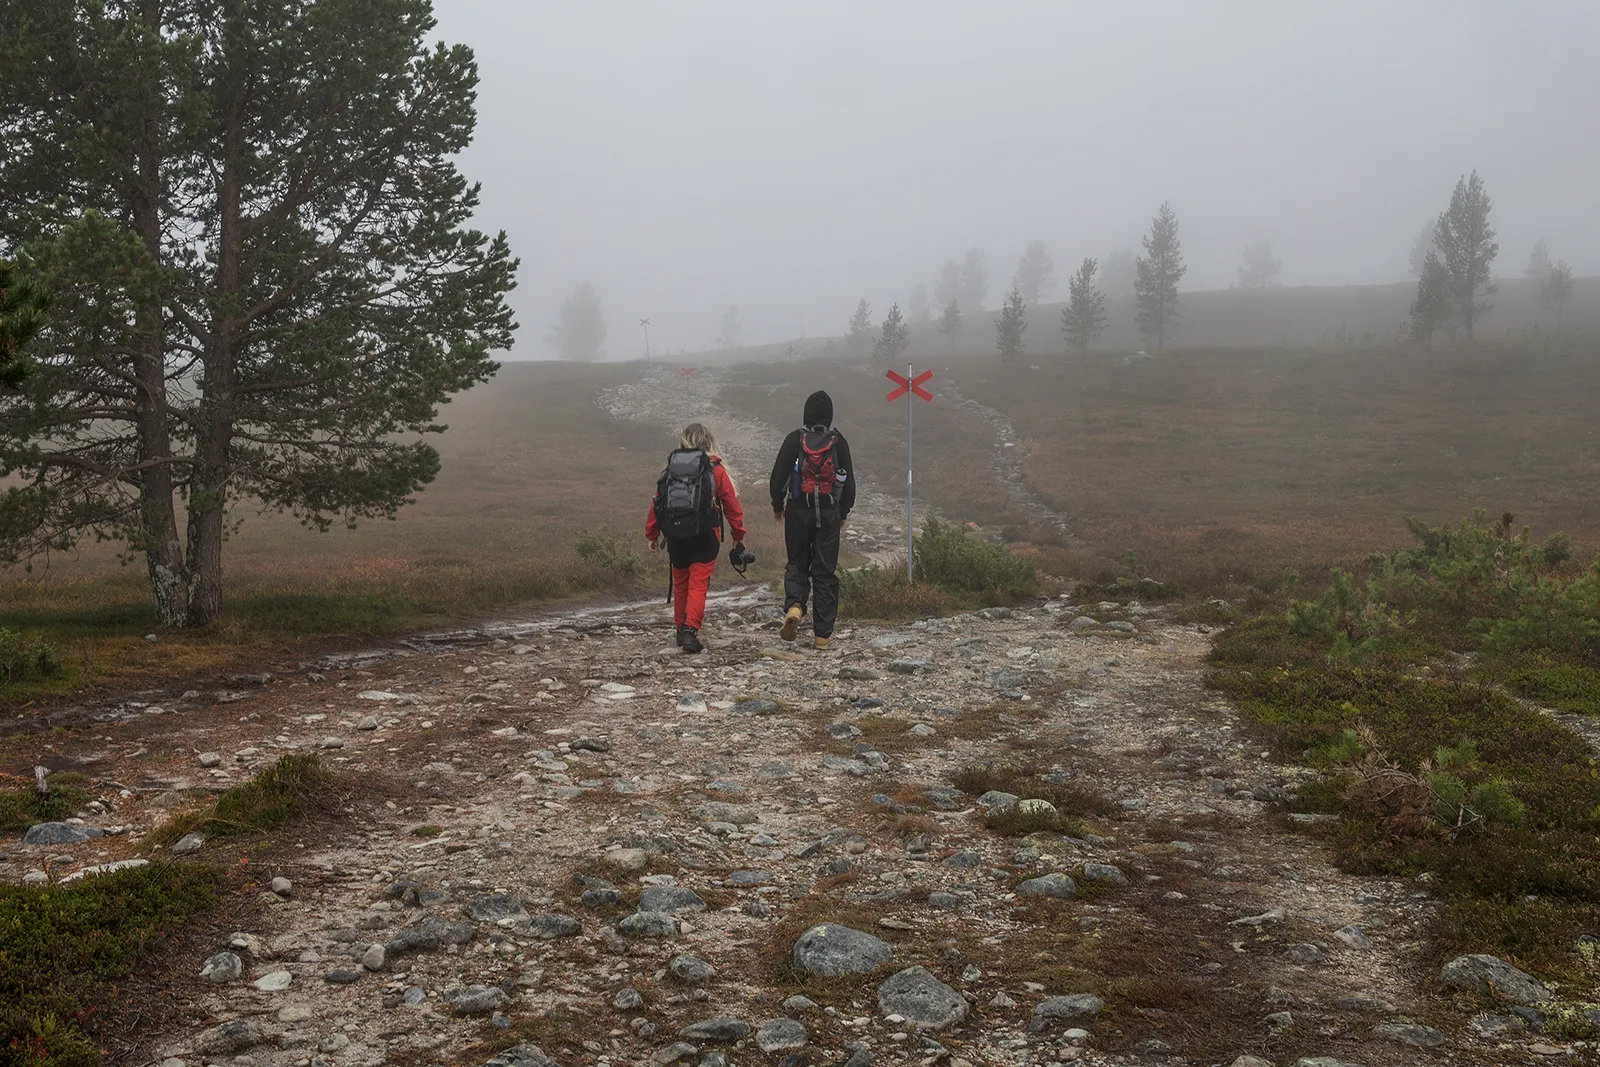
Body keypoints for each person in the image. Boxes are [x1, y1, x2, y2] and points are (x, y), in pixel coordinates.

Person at [646, 423, 746, 654]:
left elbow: (657, 502)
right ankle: (691, 631)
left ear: (683, 443)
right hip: (705, 535)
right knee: (698, 584)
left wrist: (652, 534)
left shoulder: (670, 469)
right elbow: (731, 505)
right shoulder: (715, 470)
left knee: (681, 583)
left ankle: (681, 630)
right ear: (707, 441)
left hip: (676, 536)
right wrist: (738, 535)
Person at [768, 390, 855, 651]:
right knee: (824, 571)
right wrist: (842, 514)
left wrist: (777, 505)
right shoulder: (838, 441)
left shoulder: (794, 439)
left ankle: (795, 606)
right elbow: (848, 483)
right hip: (828, 514)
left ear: (805, 414)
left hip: (797, 511)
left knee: (797, 562)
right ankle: (822, 637)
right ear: (829, 416)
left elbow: (778, 478)